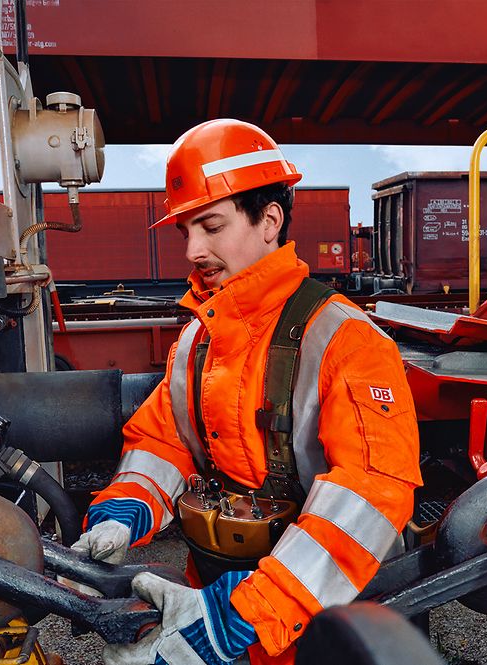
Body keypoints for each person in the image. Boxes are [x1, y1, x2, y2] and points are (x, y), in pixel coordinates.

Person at [72, 118, 421, 665]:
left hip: (319, 621)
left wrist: (238, 619)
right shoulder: (197, 339)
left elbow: (370, 494)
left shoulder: (344, 340)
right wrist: (123, 511)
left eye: (210, 226)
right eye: (185, 230)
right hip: (212, 596)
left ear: (270, 221)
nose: (192, 250)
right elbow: (163, 442)